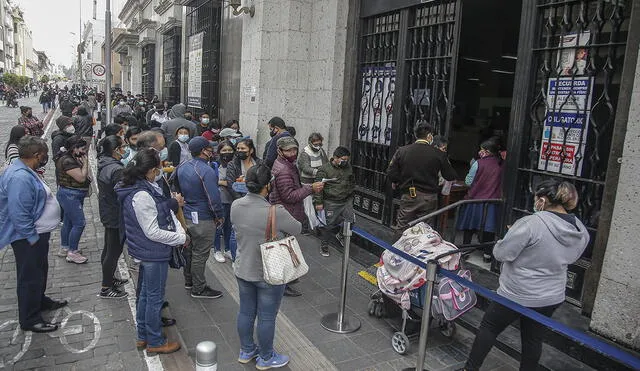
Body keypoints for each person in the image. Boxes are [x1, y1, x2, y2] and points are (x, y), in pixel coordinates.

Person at [458, 180, 589, 371]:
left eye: (536, 198)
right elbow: (572, 255)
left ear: (542, 200)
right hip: (551, 294)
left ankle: (470, 368)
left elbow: (502, 254)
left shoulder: (531, 223)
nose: (534, 202)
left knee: (489, 326)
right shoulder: (579, 229)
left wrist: (508, 238)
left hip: (518, 292)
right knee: (533, 338)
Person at [115, 148, 187, 355]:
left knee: (146, 295)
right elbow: (152, 231)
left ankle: (143, 335)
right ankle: (155, 341)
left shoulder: (140, 186)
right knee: (153, 298)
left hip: (146, 250)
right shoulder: (141, 194)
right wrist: (180, 238)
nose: (159, 172)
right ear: (148, 171)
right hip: (152, 252)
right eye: (157, 169)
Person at [231, 164, 301, 369]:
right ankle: (266, 357)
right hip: (269, 273)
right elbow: (297, 228)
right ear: (268, 186)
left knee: (245, 311)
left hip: (243, 268)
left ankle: (246, 350)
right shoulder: (275, 211)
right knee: (267, 316)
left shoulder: (235, 206)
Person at [0, 136, 67, 333]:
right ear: (37, 155)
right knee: (29, 276)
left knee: (39, 271)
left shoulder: (25, 170)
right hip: (27, 238)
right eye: (44, 154)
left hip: (38, 235)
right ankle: (30, 318)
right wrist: (31, 237)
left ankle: (40, 300)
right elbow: (19, 213)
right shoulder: (19, 177)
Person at [269, 136, 324, 296]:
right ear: (280, 151)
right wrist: (310, 189)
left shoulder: (286, 164)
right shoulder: (284, 169)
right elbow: (290, 196)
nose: (292, 152)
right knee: (284, 249)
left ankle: (288, 279)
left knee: (287, 247)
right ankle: (283, 286)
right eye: (288, 150)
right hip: (286, 213)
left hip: (286, 211)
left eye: (294, 149)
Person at [176, 136, 225, 298]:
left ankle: (189, 281)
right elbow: (213, 198)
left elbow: (174, 187)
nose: (212, 151)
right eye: (209, 148)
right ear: (204, 151)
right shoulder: (206, 170)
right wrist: (219, 216)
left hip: (187, 215)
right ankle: (199, 288)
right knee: (200, 253)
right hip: (203, 217)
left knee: (189, 251)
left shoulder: (182, 166)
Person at [387, 121, 457, 229]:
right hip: (429, 197)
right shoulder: (438, 154)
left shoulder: (402, 151)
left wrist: (399, 181)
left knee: (403, 227)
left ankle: (399, 245)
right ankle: (420, 246)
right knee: (424, 229)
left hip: (408, 194)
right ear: (429, 136)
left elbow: (391, 172)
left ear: (416, 135)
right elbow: (450, 175)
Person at [457, 139, 504, 262]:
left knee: (469, 227)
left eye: (482, 150)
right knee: (489, 229)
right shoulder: (500, 165)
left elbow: (468, 182)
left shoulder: (478, 164)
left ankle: (465, 250)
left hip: (475, 200)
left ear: (487, 152)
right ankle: (487, 255)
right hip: (492, 202)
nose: (479, 152)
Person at [96, 135, 129, 298]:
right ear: (116, 150)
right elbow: (121, 193)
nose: (125, 149)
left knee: (108, 248)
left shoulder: (105, 162)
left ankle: (109, 278)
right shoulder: (116, 169)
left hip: (108, 210)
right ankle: (106, 287)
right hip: (115, 213)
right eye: (123, 146)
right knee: (113, 251)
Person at [54, 136, 90, 264]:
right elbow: (81, 177)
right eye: (82, 148)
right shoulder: (68, 161)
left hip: (72, 194)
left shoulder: (70, 158)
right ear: (74, 149)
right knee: (79, 223)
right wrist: (85, 163)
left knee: (69, 222)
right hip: (70, 195)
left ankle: (65, 247)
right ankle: (72, 252)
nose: (84, 151)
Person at [313, 147, 355, 257]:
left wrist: (350, 194)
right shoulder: (324, 170)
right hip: (331, 201)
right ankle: (324, 245)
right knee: (328, 225)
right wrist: (319, 202)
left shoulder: (348, 167)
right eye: (343, 159)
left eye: (347, 160)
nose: (345, 162)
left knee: (350, 220)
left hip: (346, 200)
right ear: (335, 158)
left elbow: (351, 181)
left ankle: (341, 235)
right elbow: (318, 188)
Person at [213, 141, 236, 263]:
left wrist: (225, 182)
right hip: (220, 200)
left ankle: (227, 249)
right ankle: (217, 250)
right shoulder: (215, 165)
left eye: (229, 150)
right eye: (224, 150)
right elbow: (212, 180)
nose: (227, 153)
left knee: (229, 226)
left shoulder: (236, 164)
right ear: (219, 152)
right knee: (219, 226)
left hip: (233, 200)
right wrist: (225, 182)